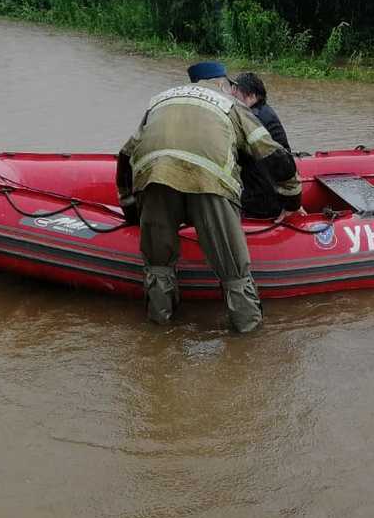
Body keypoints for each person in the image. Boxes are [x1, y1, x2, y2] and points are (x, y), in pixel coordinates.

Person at [116, 61, 302, 333]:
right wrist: (292, 202)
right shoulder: (230, 105)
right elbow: (274, 155)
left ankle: (158, 334)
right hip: (209, 183)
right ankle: (247, 343)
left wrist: (132, 211)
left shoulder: (160, 101)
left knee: (157, 267)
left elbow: (124, 157)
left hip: (154, 178)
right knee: (234, 272)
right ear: (223, 84)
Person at [229, 71, 299, 220]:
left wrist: (293, 202)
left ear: (252, 96)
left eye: (237, 95)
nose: (233, 99)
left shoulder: (255, 119)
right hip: (264, 187)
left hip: (262, 197)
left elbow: (281, 164)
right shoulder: (264, 111)